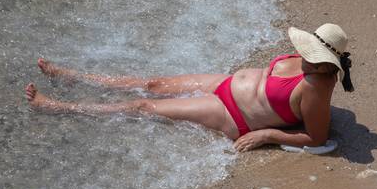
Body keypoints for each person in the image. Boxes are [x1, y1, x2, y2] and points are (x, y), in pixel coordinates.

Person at [25, 23, 354, 152]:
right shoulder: (310, 61)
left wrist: (266, 135)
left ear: (327, 64)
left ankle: (57, 106)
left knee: (143, 107)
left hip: (232, 114)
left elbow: (317, 138)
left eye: (314, 54)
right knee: (150, 84)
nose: (306, 55)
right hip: (224, 84)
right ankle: (74, 77)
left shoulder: (317, 88)